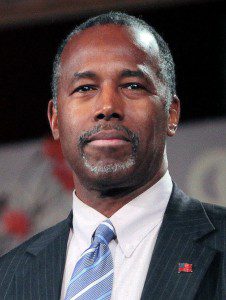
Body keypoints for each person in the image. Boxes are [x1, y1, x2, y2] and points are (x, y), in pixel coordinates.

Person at [0, 11, 225, 300]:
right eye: (85, 88)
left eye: (132, 85)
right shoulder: (8, 278)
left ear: (171, 113)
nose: (107, 106)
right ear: (55, 120)